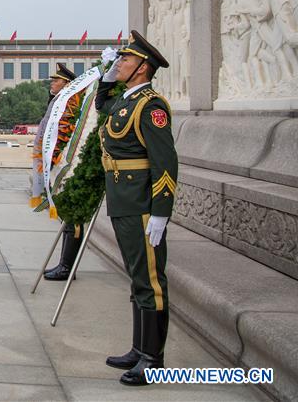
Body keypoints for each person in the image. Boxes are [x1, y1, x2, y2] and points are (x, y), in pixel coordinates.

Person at [95, 30, 177, 386]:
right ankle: (138, 348)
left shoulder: (151, 106)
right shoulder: (126, 100)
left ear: (142, 68)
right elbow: (103, 107)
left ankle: (153, 359)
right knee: (137, 277)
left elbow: (165, 162)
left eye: (125, 60)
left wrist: (161, 211)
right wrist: (105, 78)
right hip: (123, 201)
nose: (119, 64)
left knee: (151, 281)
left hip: (143, 204)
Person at [37, 63, 86, 281]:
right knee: (66, 216)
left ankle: (67, 267)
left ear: (66, 84)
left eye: (56, 80)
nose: (52, 83)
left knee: (72, 216)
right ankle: (65, 264)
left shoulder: (70, 104)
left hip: (66, 165)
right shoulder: (58, 102)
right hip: (55, 164)